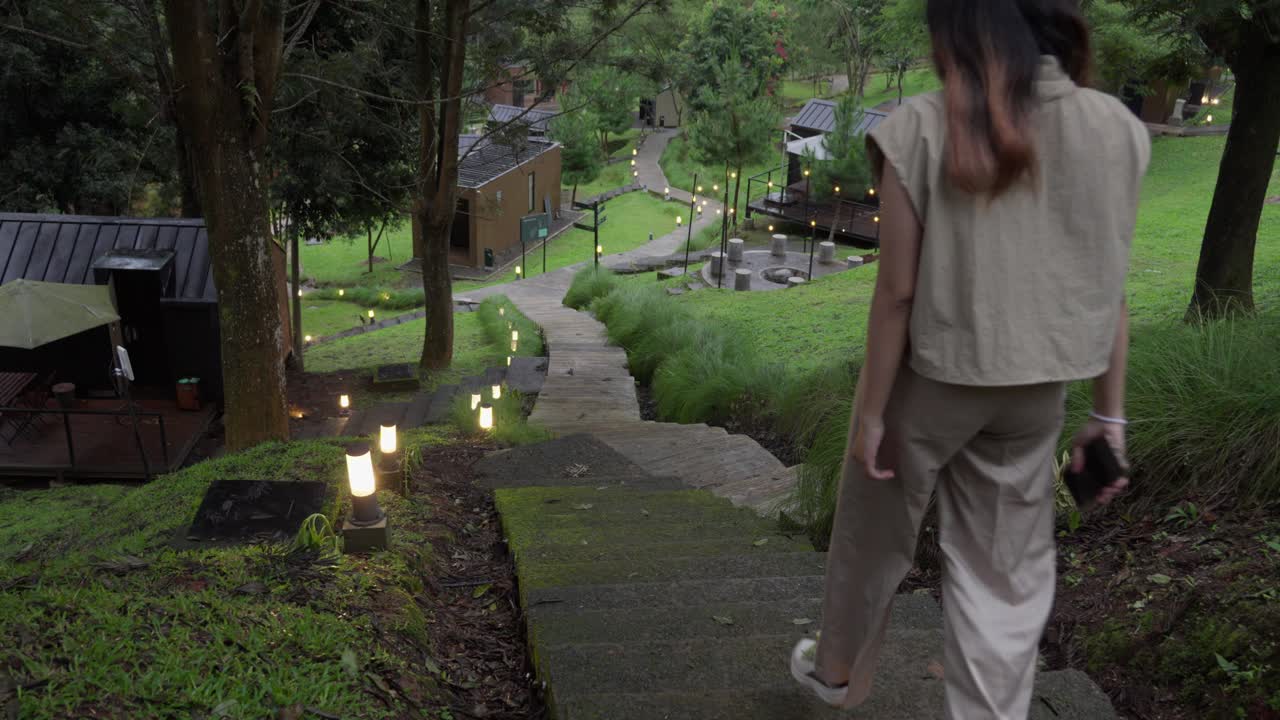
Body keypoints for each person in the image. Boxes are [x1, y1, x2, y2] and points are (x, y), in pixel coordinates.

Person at [789, 1, 1150, 718]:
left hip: (931, 383)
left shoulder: (919, 128)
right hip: (1037, 393)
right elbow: (1111, 291)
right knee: (1004, 570)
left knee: (873, 533)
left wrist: (869, 417)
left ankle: (836, 673)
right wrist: (1109, 416)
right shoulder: (1120, 130)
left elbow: (896, 295)